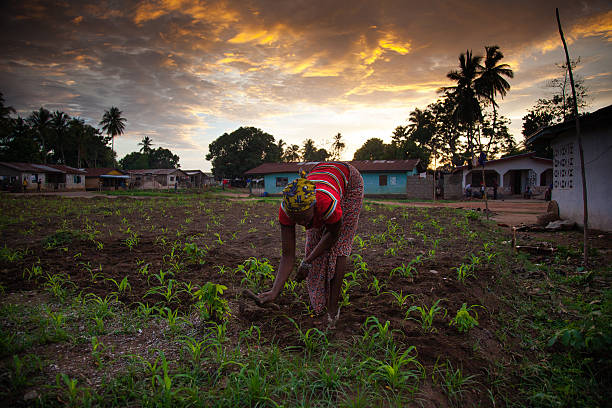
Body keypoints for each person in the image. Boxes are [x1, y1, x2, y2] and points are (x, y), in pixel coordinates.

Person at [252, 162, 364, 328]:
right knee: (312, 245)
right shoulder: (287, 209)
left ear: (314, 207)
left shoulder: (327, 203)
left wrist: (308, 261)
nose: (303, 224)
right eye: (297, 221)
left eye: (305, 219)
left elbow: (333, 235)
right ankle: (320, 305)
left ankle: (332, 312)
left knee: (340, 248)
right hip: (321, 180)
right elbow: (287, 256)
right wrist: (274, 291)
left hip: (349, 183)